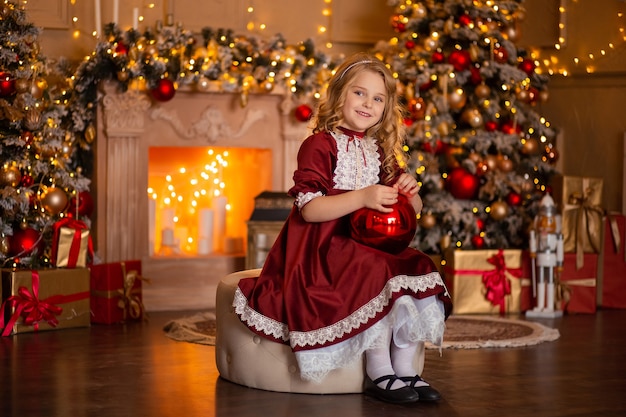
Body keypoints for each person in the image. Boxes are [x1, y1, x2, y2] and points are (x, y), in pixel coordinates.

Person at [233, 52, 452, 404]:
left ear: (385, 108)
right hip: (323, 248)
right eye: (359, 93)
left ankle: (406, 368)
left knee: (417, 265)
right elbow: (310, 210)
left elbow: (411, 207)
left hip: (370, 243)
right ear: (339, 95)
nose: (368, 103)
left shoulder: (379, 150)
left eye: (378, 98)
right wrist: (361, 197)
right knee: (376, 271)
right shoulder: (320, 144)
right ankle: (379, 372)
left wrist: (411, 195)